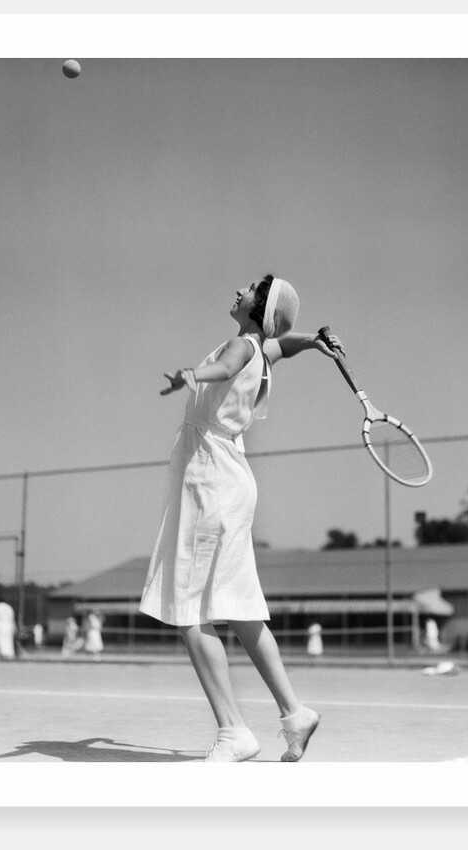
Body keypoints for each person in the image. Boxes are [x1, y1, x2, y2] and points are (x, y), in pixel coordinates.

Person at [139, 273, 345, 762]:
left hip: (212, 481)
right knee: (239, 611)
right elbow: (282, 345)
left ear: (260, 307)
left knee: (190, 610)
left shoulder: (239, 347)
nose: (240, 288)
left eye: (251, 288)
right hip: (228, 479)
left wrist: (193, 374)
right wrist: (313, 341)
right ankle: (295, 713)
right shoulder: (261, 348)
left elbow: (227, 364)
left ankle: (234, 732)